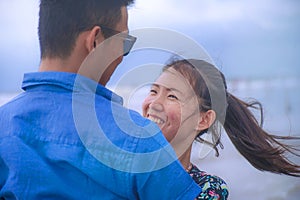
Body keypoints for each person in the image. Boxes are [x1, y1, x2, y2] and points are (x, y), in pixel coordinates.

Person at [0, 1, 201, 199]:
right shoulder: (138, 138)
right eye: (124, 43)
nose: (123, 56)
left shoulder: (4, 123)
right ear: (95, 40)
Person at [142, 58, 300, 199]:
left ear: (203, 119)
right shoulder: (121, 168)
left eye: (172, 96)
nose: (154, 104)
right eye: (154, 91)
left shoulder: (207, 189)